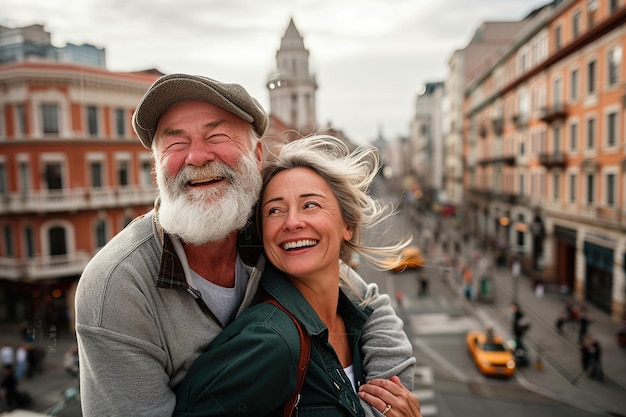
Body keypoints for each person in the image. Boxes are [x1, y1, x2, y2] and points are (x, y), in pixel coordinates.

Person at [75, 74, 416, 416]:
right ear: (157, 165)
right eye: (175, 143)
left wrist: (386, 403)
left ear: (255, 155)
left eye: (216, 136)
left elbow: (368, 303)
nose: (196, 156)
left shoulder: (274, 229)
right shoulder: (117, 285)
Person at [174, 136, 420, 416]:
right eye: (274, 210)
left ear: (347, 225)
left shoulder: (356, 314)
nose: (292, 222)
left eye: (310, 205)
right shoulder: (267, 343)